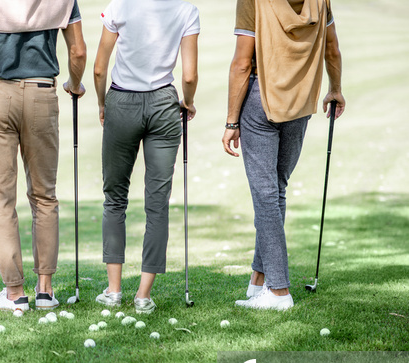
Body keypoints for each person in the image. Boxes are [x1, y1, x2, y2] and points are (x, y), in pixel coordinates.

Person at [0, 0, 87, 312]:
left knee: (1, 200)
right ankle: (45, 290)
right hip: (42, 94)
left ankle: (14, 292)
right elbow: (78, 51)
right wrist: (75, 82)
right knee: (44, 195)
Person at [222, 0, 345, 310]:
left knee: (266, 195)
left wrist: (231, 121)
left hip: (259, 99)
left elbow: (241, 63)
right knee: (275, 190)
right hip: (300, 103)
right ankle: (259, 279)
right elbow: (332, 50)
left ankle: (279, 292)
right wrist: (336, 88)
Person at [93, 0, 199, 313]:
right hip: (164, 105)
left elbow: (99, 67)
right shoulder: (186, 10)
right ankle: (143, 295)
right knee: (157, 204)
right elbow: (189, 76)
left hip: (121, 102)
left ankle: (113, 291)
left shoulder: (119, 7)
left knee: (114, 198)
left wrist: (102, 104)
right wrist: (188, 102)